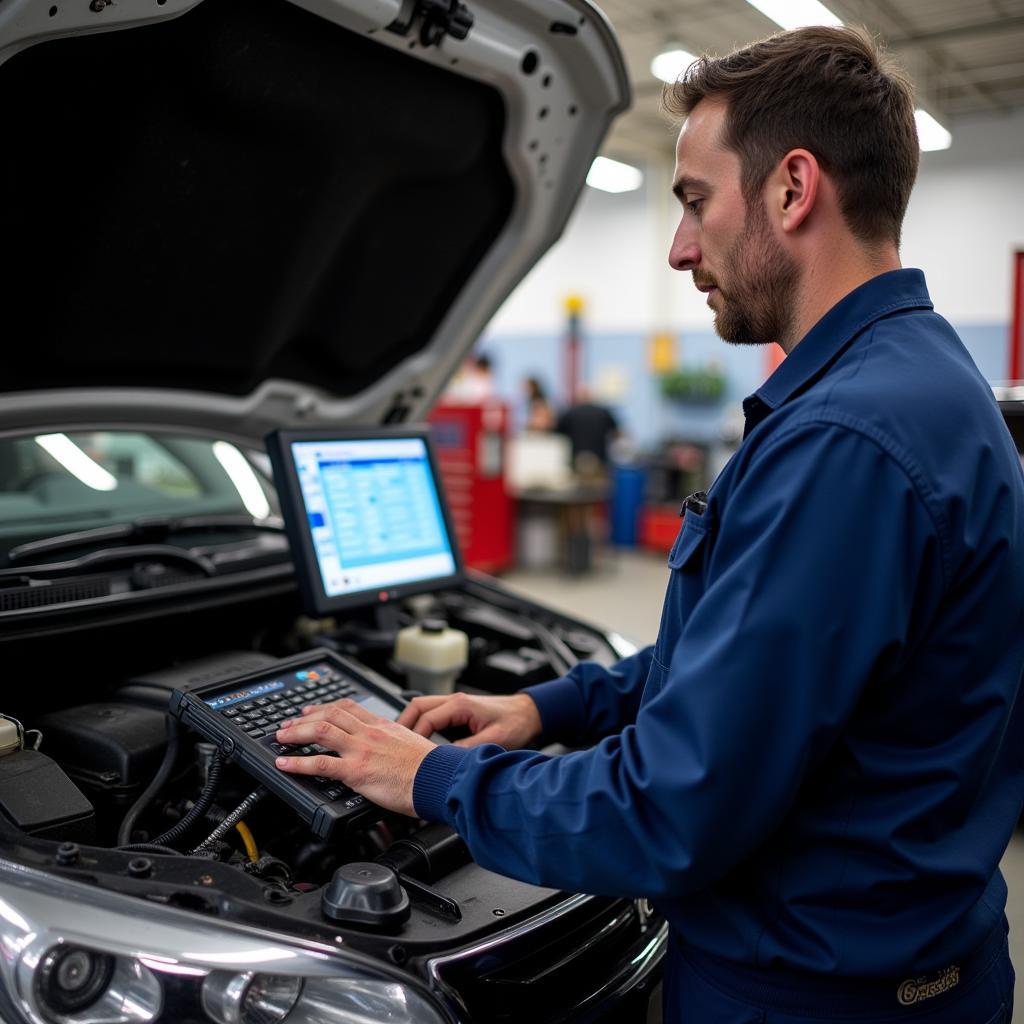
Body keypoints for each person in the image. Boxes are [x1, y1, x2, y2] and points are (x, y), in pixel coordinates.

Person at [273, 26, 1024, 1022]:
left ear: (792, 189)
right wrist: (552, 708)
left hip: (808, 995)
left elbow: (674, 809)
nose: (680, 248)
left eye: (693, 201)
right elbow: (756, 664)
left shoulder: (849, 441)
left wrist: (436, 777)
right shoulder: (915, 384)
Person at [555, 385, 619, 471]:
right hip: (600, 458)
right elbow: (616, 433)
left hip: (576, 457)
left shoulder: (570, 413)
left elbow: (558, 434)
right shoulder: (603, 412)